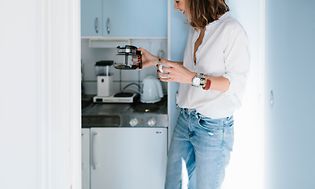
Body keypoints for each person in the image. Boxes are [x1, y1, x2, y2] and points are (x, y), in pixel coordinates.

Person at [139, 0, 250, 188]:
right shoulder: (197, 29)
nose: (176, 7)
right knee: (173, 185)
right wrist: (156, 61)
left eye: (177, 1)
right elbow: (192, 70)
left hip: (213, 128)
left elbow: (233, 83)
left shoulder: (231, 30)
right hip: (186, 120)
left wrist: (192, 79)